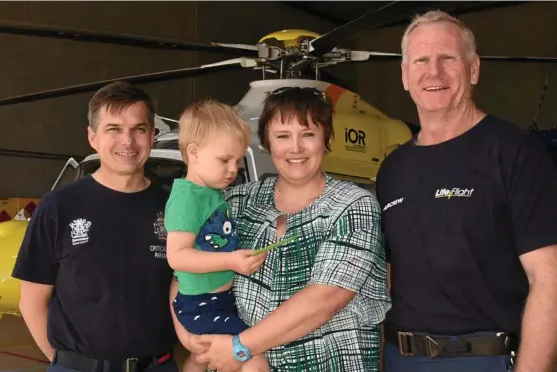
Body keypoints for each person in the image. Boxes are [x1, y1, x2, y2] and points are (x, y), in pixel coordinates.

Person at [376, 10, 557, 372]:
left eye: (448, 58)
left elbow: (549, 277)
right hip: (402, 359)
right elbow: (392, 279)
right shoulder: (392, 170)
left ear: (474, 69)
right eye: (421, 60)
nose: (434, 72)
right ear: (404, 76)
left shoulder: (517, 153)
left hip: (485, 359)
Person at [173, 86, 391, 372]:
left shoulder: (353, 205)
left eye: (308, 134)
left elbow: (324, 300)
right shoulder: (237, 201)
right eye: (283, 136)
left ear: (326, 138)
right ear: (267, 143)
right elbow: (185, 271)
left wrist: (239, 348)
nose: (296, 148)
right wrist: (190, 337)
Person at [12, 81, 180, 372]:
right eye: (113, 129)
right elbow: (31, 302)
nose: (127, 141)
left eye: (138, 129)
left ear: (152, 136)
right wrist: (67, 362)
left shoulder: (174, 208)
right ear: (92, 137)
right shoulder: (58, 207)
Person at [164, 99, 270, 372]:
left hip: (214, 300)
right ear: (194, 152)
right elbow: (177, 257)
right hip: (203, 303)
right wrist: (231, 261)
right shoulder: (187, 198)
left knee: (203, 357)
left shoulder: (210, 194)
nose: (233, 169)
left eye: (237, 160)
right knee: (253, 358)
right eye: (224, 160)